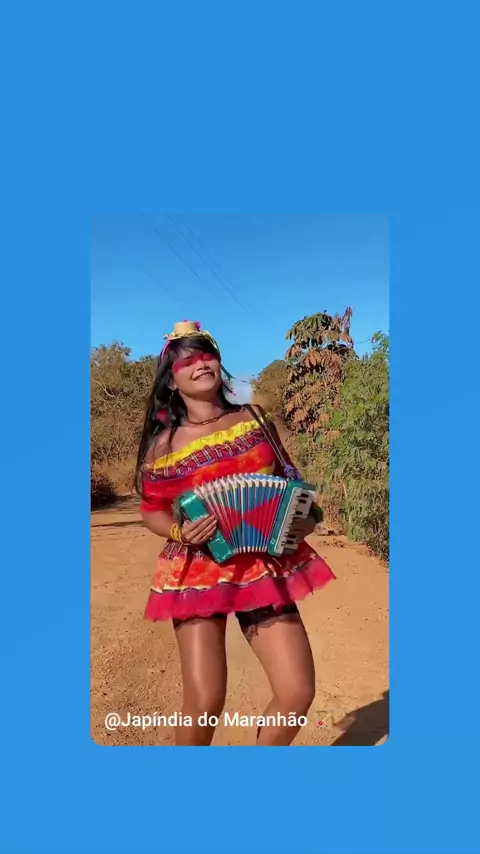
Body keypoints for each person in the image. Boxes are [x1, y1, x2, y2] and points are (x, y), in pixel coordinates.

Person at [136, 320, 335, 746]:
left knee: (296, 692)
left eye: (206, 354)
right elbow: (151, 509)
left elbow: (291, 482)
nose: (200, 363)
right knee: (205, 701)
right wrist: (180, 531)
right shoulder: (164, 446)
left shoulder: (255, 419)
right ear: (171, 380)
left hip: (263, 566)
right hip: (197, 570)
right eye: (187, 360)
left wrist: (308, 517)